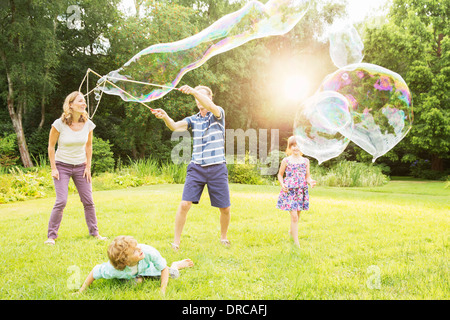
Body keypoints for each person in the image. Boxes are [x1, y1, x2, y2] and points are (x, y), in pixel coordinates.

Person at [151, 85, 231, 251]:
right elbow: (174, 126)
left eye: (202, 96)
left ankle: (223, 237)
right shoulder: (192, 119)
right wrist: (165, 116)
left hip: (217, 166)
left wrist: (194, 91)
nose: (198, 100)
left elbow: (210, 106)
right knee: (184, 204)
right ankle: (176, 242)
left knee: (225, 208)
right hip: (196, 167)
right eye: (196, 97)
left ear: (209, 97)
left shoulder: (218, 113)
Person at [45, 91, 106, 245]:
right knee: (61, 201)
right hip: (62, 166)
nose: (83, 103)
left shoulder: (88, 124)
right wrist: (54, 168)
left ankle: (95, 233)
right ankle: (51, 237)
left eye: (84, 101)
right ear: (70, 105)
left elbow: (89, 146)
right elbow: (51, 147)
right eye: (80, 101)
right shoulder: (59, 124)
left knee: (88, 201)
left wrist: (88, 166)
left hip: (81, 167)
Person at [77, 235, 194, 294]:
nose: (139, 248)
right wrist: (82, 290)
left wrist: (162, 290)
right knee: (133, 283)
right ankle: (139, 278)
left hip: (149, 269)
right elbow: (95, 271)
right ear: (126, 262)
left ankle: (176, 265)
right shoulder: (112, 270)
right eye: (134, 251)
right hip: (130, 274)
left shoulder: (147, 252)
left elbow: (163, 268)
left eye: (137, 245)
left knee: (173, 274)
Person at [276, 136, 316, 247]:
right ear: (290, 147)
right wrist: (282, 183)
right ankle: (296, 242)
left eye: (298, 145)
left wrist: (310, 181)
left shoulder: (305, 161)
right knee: (294, 216)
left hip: (301, 191)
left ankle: (291, 231)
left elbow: (307, 176)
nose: (295, 148)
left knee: (297, 216)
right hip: (289, 191)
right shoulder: (286, 160)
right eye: (293, 145)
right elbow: (280, 174)